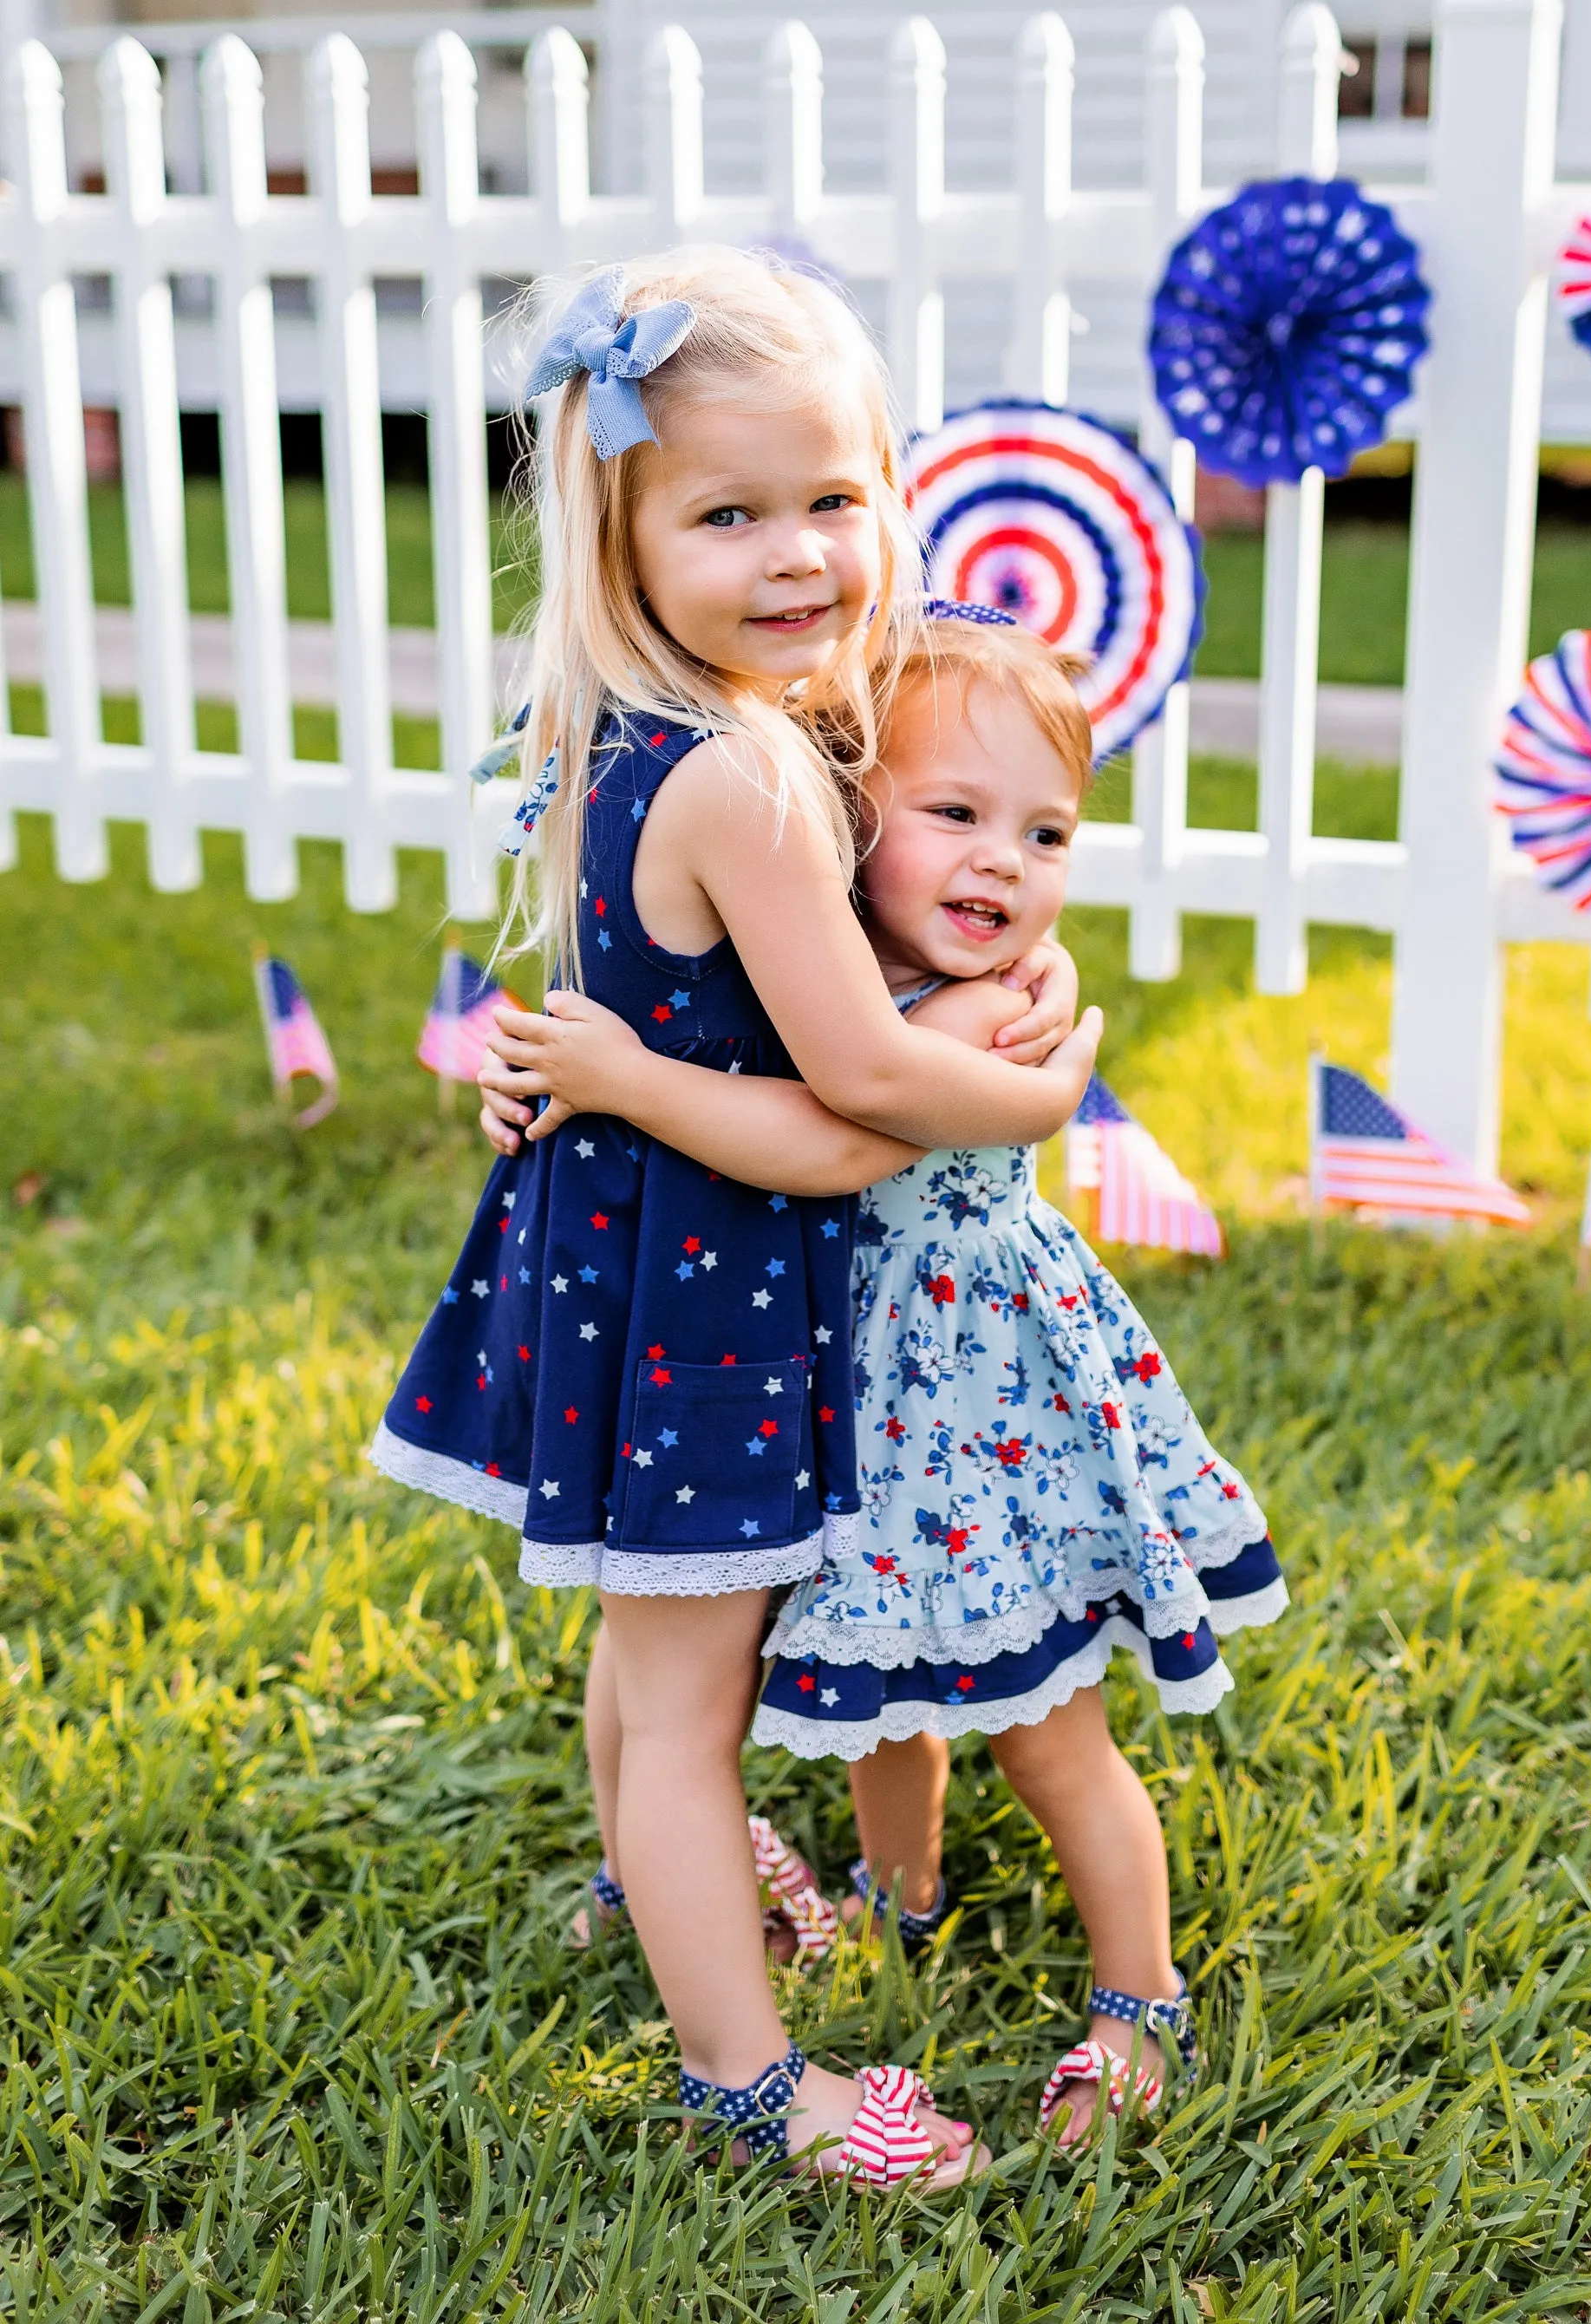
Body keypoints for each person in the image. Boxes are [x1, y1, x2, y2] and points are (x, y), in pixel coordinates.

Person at [371, 251, 1103, 2187]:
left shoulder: (621, 736)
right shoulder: (756, 781)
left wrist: (575, 1067)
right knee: (690, 1707)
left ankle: (645, 1887)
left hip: (614, 1258)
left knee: (642, 1659)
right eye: (727, 514)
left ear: (890, 489)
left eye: (833, 502)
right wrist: (1031, 1080)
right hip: (703, 1285)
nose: (796, 555)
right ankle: (749, 2081)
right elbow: (859, 1097)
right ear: (621, 539)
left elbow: (636, 1007)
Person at [482, 610, 1288, 2147]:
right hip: (857, 1413)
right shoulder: (833, 973)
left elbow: (832, 1141)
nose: (1004, 862)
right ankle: (896, 1893)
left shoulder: (982, 1017)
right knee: (882, 1702)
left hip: (983, 1429)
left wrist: (624, 1080)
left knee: (1053, 1733)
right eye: (956, 815)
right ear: (851, 825)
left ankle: (1138, 1994)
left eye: (1045, 829)